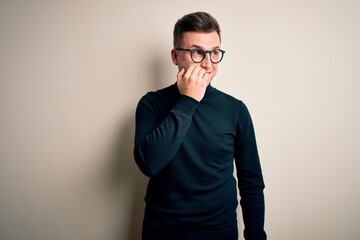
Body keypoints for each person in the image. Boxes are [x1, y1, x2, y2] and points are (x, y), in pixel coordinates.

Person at [133, 12, 266, 240]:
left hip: (219, 231)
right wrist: (188, 100)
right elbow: (149, 164)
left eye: (214, 52)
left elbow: (251, 182)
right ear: (175, 56)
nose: (207, 63)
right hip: (162, 231)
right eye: (197, 52)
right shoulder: (151, 104)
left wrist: (256, 236)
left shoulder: (235, 110)